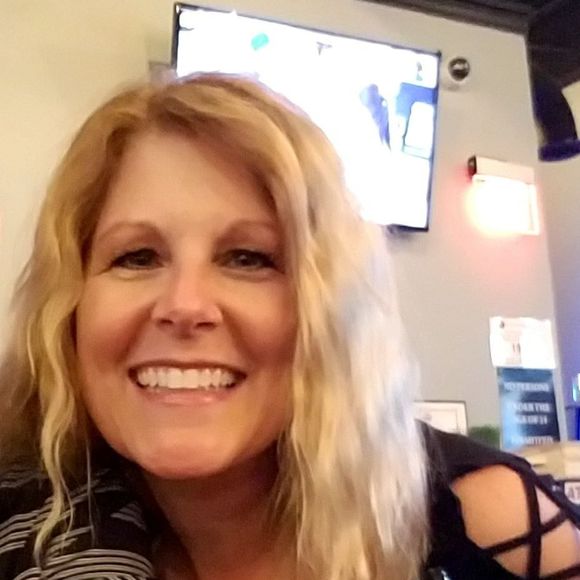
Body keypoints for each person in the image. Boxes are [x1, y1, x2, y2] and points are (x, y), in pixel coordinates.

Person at [0, 73, 578, 580]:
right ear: (70, 309)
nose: (184, 304)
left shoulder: (486, 520)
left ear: (328, 312)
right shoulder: (22, 530)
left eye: (248, 258)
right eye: (137, 257)